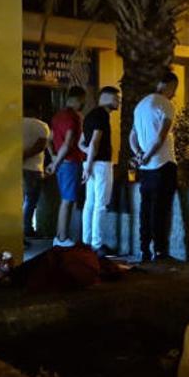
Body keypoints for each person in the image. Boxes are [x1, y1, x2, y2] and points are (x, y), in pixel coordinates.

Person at [130, 71, 179, 262]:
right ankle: (160, 251)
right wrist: (148, 155)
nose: (174, 93)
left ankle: (144, 249)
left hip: (146, 170)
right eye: (174, 88)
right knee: (162, 209)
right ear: (168, 85)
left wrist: (139, 155)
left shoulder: (140, 105)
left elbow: (132, 136)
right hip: (163, 163)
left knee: (146, 209)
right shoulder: (166, 105)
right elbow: (161, 136)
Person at [79, 86, 120, 257]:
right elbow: (95, 142)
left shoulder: (89, 115)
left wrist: (88, 162)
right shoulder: (102, 115)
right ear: (106, 98)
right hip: (100, 164)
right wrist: (89, 165)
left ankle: (86, 242)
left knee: (90, 203)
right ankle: (97, 245)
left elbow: (81, 143)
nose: (119, 102)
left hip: (90, 163)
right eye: (117, 98)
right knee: (101, 205)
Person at [47, 85, 87, 247]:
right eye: (83, 101)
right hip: (70, 162)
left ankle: (60, 235)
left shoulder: (57, 116)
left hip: (62, 162)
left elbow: (49, 140)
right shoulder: (73, 117)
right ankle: (62, 238)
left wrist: (54, 157)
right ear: (79, 100)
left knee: (65, 199)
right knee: (68, 200)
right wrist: (56, 162)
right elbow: (69, 142)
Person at [22, 111, 50, 239]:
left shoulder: (14, 123)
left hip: (15, 168)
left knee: (19, 201)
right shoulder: (41, 126)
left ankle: (19, 231)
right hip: (33, 168)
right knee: (31, 201)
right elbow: (41, 146)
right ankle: (27, 229)